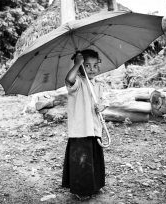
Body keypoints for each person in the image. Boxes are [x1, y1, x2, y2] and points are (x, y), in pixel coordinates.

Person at [62, 49, 109, 199]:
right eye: (87, 65)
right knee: (81, 161)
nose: (92, 69)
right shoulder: (78, 82)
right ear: (81, 67)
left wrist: (101, 106)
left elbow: (104, 101)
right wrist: (76, 64)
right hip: (80, 130)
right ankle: (81, 189)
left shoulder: (99, 84)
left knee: (94, 159)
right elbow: (69, 79)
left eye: (95, 65)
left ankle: (95, 184)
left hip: (95, 128)